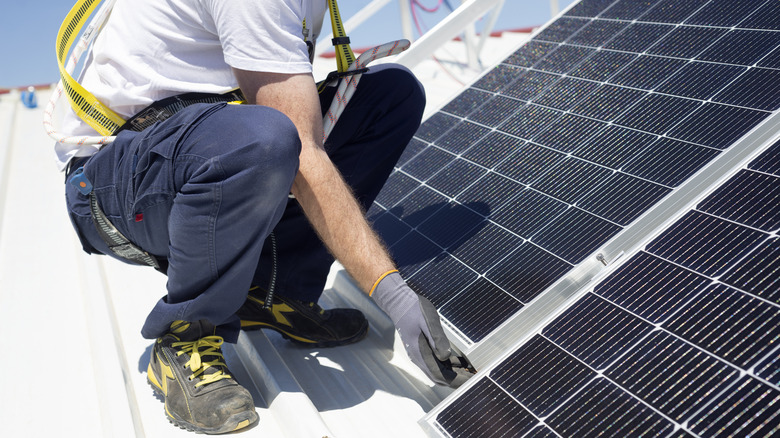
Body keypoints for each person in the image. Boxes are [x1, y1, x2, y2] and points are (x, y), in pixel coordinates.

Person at [57, 0, 469, 434]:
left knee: (389, 95)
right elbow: (300, 147)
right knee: (266, 139)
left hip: (193, 146)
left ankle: (272, 292)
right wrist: (396, 298)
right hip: (111, 186)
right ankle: (187, 334)